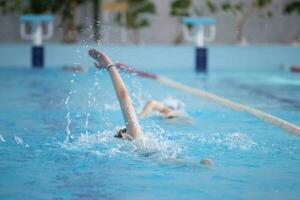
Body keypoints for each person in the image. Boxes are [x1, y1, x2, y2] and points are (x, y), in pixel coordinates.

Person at [88, 49, 141, 140]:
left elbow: (123, 95)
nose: (118, 136)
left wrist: (109, 65)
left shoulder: (135, 137)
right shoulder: (140, 140)